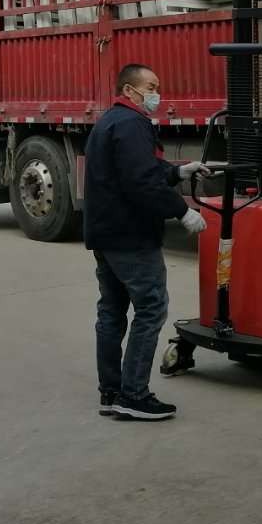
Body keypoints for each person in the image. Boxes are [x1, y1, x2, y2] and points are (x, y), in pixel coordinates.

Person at [84, 63, 208, 421]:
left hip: (106, 235)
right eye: (151, 87)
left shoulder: (110, 122)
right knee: (151, 308)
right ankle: (134, 395)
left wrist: (177, 171)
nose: (157, 94)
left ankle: (111, 392)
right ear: (129, 90)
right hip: (131, 236)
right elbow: (141, 182)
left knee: (111, 312)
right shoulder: (132, 124)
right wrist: (182, 211)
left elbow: (138, 170)